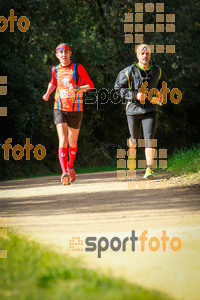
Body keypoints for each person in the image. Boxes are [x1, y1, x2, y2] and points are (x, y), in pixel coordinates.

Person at [43, 43, 94, 185]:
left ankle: (70, 165)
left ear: (70, 53)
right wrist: (48, 93)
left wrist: (77, 88)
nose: (64, 55)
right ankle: (64, 172)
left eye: (66, 52)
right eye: (61, 52)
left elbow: (90, 85)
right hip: (59, 108)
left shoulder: (78, 68)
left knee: (72, 142)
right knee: (63, 140)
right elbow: (53, 81)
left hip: (76, 109)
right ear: (57, 55)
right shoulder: (55, 69)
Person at [114, 44, 166, 179]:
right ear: (137, 55)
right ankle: (132, 152)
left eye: (147, 53)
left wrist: (161, 92)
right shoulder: (128, 71)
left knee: (149, 137)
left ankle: (149, 169)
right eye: (142, 53)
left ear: (150, 55)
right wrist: (134, 95)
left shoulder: (157, 70)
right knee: (134, 138)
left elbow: (163, 82)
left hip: (150, 109)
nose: (145, 55)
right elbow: (118, 88)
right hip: (133, 110)